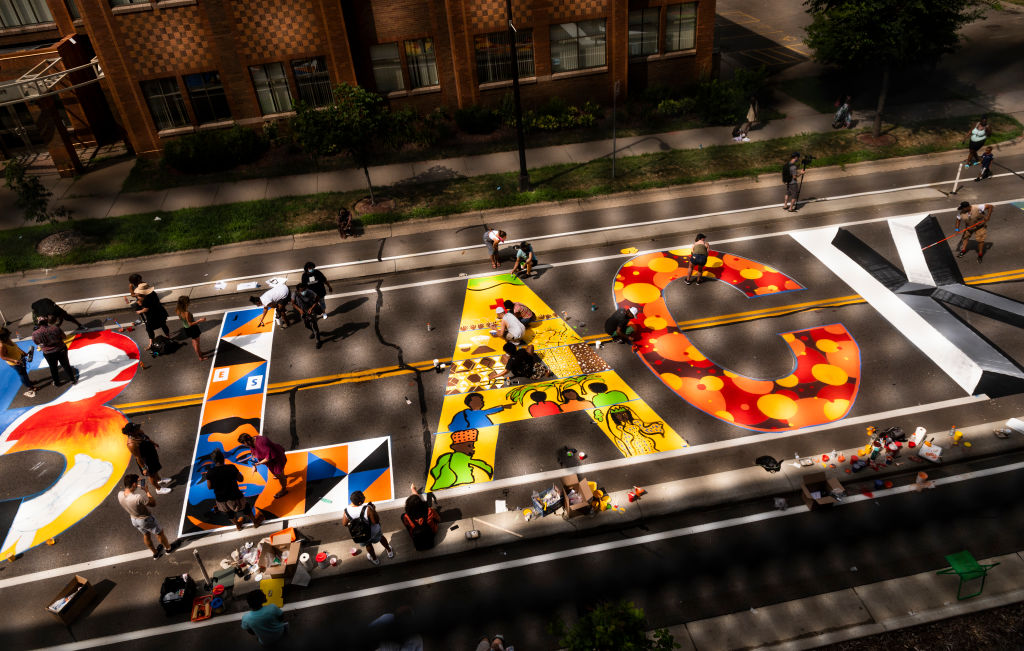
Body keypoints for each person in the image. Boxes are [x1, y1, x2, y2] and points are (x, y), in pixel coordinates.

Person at [118, 473, 177, 559]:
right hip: (145, 519)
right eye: (137, 482)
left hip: (134, 519)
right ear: (134, 484)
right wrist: (147, 491)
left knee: (146, 534)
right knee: (159, 533)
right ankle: (168, 549)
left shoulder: (120, 494)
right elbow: (153, 503)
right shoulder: (137, 497)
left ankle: (155, 553)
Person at [205, 449, 262, 530]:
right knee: (246, 507)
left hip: (220, 499)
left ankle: (238, 525)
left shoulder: (210, 473)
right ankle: (255, 522)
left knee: (229, 513)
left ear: (214, 460)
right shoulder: (231, 468)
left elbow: (209, 487)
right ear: (223, 457)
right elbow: (240, 479)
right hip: (234, 496)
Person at [429, 428, 494, 489]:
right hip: (461, 481)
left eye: (472, 445)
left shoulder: (447, 456)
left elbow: (435, 470)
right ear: (458, 447)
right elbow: (479, 463)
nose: (473, 448)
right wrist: (488, 470)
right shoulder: (461, 456)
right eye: (469, 446)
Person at [342, 490, 394, 566]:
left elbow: (344, 524)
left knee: (368, 545)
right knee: (381, 538)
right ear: (360, 503)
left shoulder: (346, 510)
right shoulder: (367, 508)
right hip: (374, 532)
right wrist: (374, 509)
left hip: (361, 535)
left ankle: (375, 559)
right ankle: (389, 550)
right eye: (363, 497)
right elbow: (375, 521)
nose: (364, 498)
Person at [123, 422, 172, 493]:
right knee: (151, 475)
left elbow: (147, 439)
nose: (138, 429)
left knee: (155, 469)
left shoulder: (139, 432)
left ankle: (159, 480)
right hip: (145, 460)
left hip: (151, 454)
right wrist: (144, 468)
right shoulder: (131, 444)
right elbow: (138, 457)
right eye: (136, 429)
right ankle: (158, 489)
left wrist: (153, 443)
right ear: (132, 432)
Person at [237, 432, 289, 498]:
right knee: (277, 474)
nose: (244, 445)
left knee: (279, 474)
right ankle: (281, 475)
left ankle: (284, 489)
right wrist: (254, 465)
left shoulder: (262, 443)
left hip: (277, 459)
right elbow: (253, 454)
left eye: (243, 443)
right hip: (271, 461)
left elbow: (269, 457)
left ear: (247, 441)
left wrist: (258, 463)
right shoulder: (252, 442)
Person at [32, 314, 78, 387]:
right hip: (61, 349)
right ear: (47, 321)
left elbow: (37, 343)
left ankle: (57, 383)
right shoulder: (55, 328)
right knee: (66, 365)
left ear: (38, 323)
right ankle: (73, 379)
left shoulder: (35, 334)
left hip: (48, 353)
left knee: (53, 368)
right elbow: (64, 336)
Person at [402, 484, 441, 551]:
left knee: (402, 517)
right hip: (432, 532)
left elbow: (408, 526)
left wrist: (413, 490)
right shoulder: (429, 511)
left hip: (417, 537)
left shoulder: (406, 516)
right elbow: (438, 519)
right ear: (421, 504)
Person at [1, 327, 38, 398]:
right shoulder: (2, 346)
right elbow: (3, 357)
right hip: (15, 363)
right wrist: (14, 360)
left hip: (20, 358)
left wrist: (23, 353)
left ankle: (29, 382)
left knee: (24, 372)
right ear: (3, 337)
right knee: (22, 374)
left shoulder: (8, 340)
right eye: (7, 335)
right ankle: (29, 387)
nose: (9, 336)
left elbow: (16, 347)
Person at [447, 392, 512, 431]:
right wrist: (503, 407)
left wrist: (502, 407)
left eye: (482, 400)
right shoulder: (469, 413)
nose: (482, 401)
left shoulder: (472, 412)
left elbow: (488, 411)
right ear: (471, 403)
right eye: (480, 400)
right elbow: (490, 411)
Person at [134, 283, 170, 350]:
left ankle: (151, 344)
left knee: (149, 329)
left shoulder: (146, 299)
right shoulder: (153, 293)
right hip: (160, 312)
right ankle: (168, 337)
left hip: (152, 316)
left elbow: (146, 309)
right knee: (163, 324)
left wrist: (140, 311)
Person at [175, 296, 210, 360]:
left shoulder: (178, 310)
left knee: (194, 341)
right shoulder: (186, 313)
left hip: (186, 329)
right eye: (188, 302)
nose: (189, 303)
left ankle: (200, 353)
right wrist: (200, 320)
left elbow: (181, 319)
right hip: (192, 328)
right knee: (196, 343)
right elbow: (190, 323)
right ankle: (200, 357)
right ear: (185, 303)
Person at [291, 282, 323, 349]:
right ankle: (313, 332)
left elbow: (317, 300)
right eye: (302, 291)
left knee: (314, 326)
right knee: (307, 325)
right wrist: (300, 310)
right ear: (298, 290)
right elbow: (293, 303)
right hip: (303, 311)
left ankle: (318, 340)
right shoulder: (295, 294)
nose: (304, 291)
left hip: (311, 310)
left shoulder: (310, 292)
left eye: (305, 289)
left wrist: (311, 308)